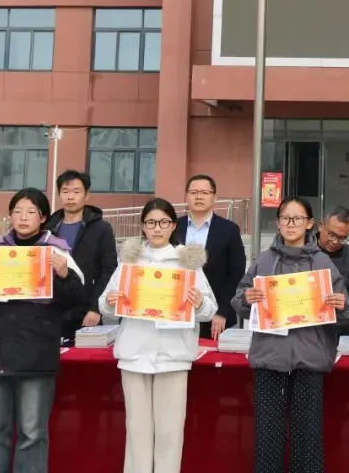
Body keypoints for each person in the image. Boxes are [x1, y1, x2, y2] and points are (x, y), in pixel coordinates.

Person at [0, 188, 86, 473]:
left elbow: (78, 298)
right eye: (17, 211)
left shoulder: (57, 251)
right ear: (10, 216)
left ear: (43, 217)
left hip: (37, 353)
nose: (23, 217)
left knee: (32, 433)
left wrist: (65, 275)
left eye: (31, 212)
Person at [232, 195, 349, 473]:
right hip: (270, 357)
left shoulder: (323, 263)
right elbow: (239, 299)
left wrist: (340, 305)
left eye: (297, 218)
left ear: (310, 223)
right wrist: (247, 299)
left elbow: (346, 312)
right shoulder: (264, 261)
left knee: (307, 436)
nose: (291, 224)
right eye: (285, 218)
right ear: (278, 223)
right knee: (267, 436)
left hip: (309, 359)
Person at [100, 198, 218, 473]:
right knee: (137, 431)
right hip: (134, 353)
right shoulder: (129, 261)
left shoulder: (187, 261)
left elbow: (210, 310)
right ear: (143, 226)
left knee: (170, 433)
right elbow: (104, 303)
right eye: (151, 222)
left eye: (163, 222)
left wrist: (199, 302)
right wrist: (111, 301)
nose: (157, 228)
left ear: (173, 225)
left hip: (173, 355)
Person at [44, 170, 118, 339]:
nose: (70, 197)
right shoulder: (48, 229)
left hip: (85, 312)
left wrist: (95, 308)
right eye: (65, 191)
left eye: (76, 192)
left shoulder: (101, 229)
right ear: (59, 194)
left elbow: (108, 271)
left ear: (87, 195)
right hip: (52, 311)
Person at [171, 174, 246, 341]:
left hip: (215, 318)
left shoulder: (229, 230)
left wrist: (222, 311)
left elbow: (236, 274)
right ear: (186, 196)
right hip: (175, 313)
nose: (198, 197)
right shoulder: (173, 228)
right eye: (194, 192)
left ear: (214, 198)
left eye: (204, 192)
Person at [315, 206, 349, 337]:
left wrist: (338, 282)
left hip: (337, 329)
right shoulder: (303, 250)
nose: (335, 242)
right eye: (331, 235)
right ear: (321, 226)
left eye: (342, 238)